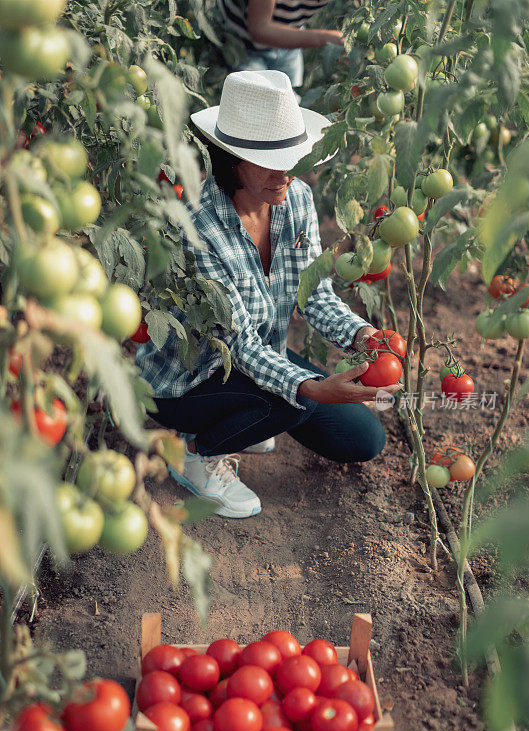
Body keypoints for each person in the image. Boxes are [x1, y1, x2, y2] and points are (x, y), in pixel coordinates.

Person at [136, 70, 402, 519]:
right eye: (269, 159)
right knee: (292, 397)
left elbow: (312, 295)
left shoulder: (294, 200)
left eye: (292, 157)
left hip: (255, 357)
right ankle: (194, 453)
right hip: (187, 379)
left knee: (362, 438)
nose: (285, 173)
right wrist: (312, 388)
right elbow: (239, 346)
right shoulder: (198, 226)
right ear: (232, 159)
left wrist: (362, 337)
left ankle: (248, 417)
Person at [217, 0, 344, 89]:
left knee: (288, 105)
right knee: (255, 104)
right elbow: (260, 29)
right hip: (244, 46)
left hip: (288, 38)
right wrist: (323, 38)